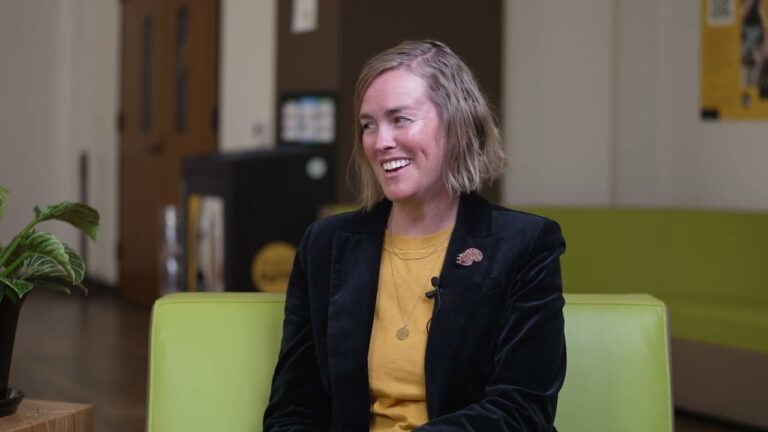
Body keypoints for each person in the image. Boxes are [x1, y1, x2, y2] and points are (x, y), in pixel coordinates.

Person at [264, 40, 566, 431]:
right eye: (368, 125)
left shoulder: (525, 244)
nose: (380, 141)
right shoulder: (324, 245)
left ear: (458, 123)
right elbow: (294, 408)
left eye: (400, 119)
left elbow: (522, 410)